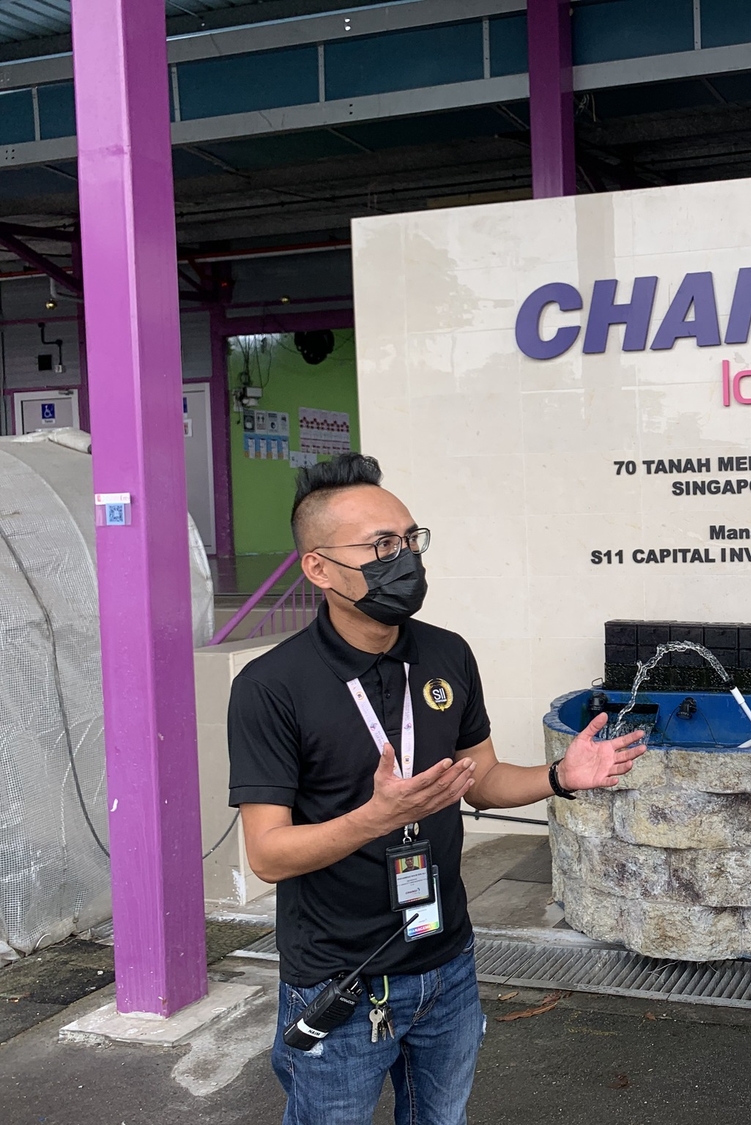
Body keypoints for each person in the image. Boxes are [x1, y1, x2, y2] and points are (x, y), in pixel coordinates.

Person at [228, 452, 646, 1125]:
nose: (405, 558)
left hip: (446, 963)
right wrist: (375, 817)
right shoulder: (271, 686)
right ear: (319, 568)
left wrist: (558, 777)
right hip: (341, 978)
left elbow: (481, 779)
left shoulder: (446, 652)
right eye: (381, 545)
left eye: (410, 539)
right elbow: (268, 854)